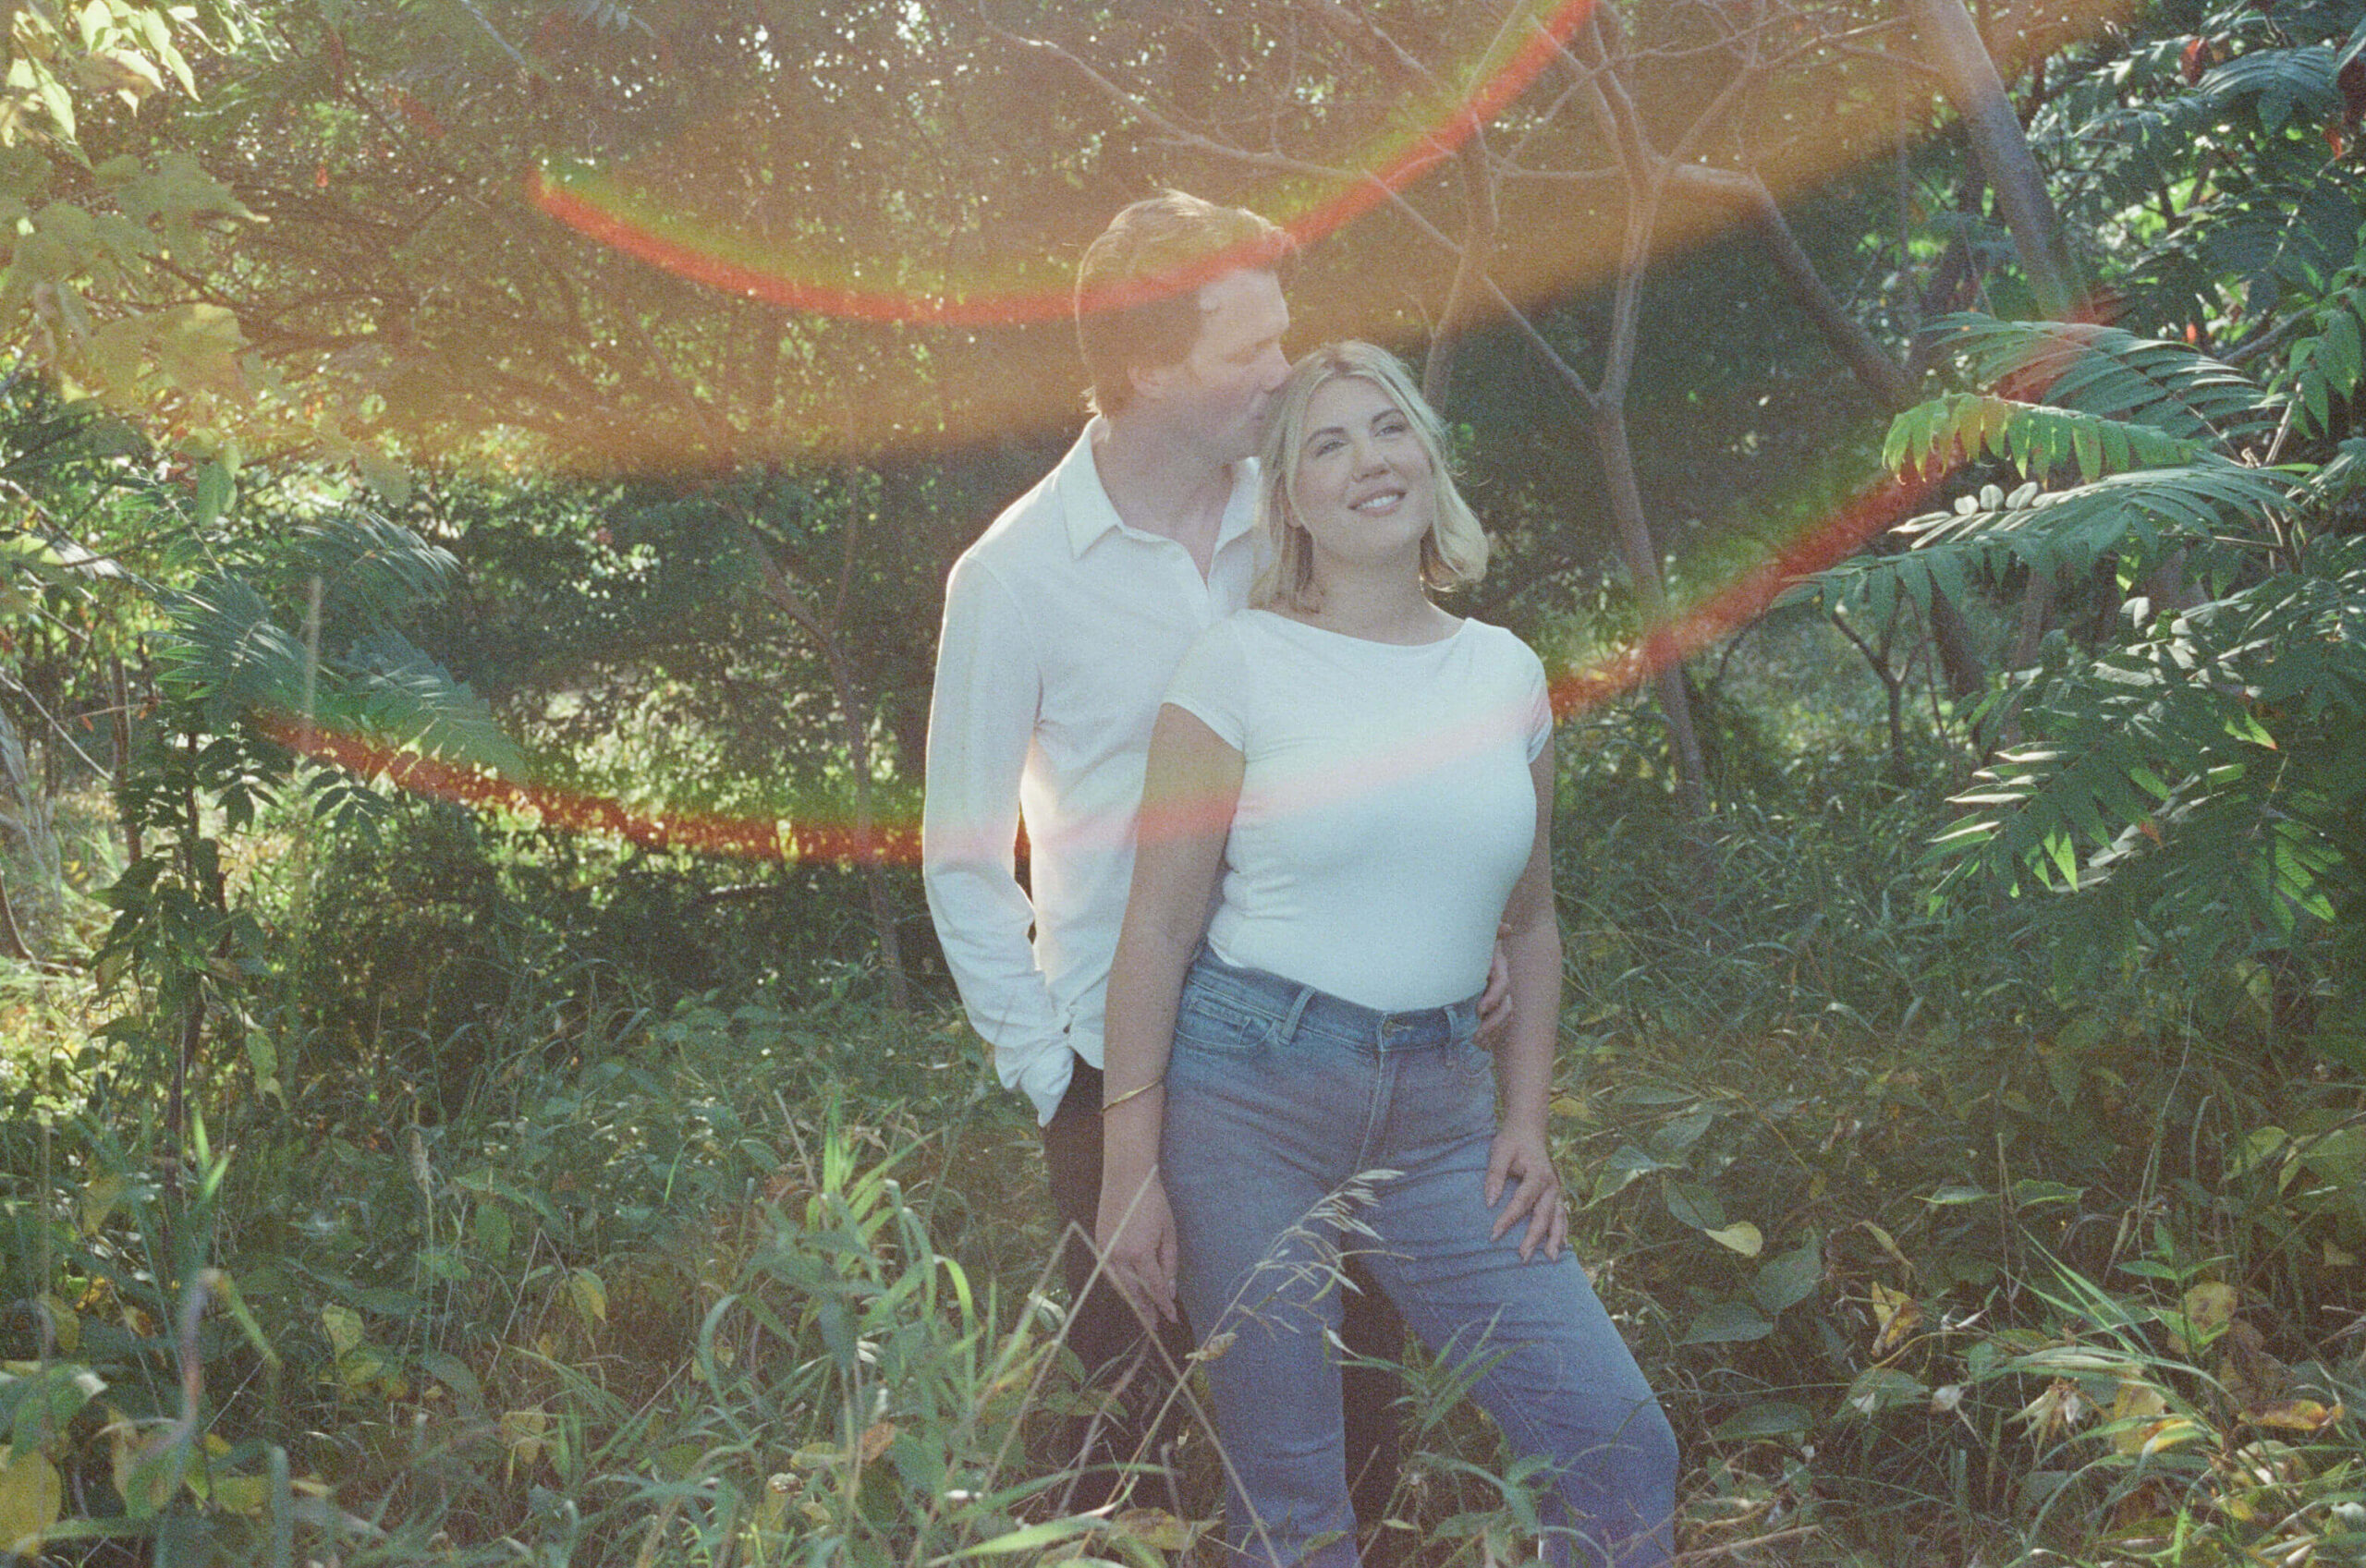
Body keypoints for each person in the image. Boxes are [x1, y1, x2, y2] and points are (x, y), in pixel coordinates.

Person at [1096, 342, 1678, 1567]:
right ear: (1291, 503)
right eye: (1328, 440)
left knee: (1620, 1445)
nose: (1369, 459)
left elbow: (1532, 922)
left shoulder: (1505, 673)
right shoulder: (1236, 664)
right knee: (1299, 1511)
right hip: (1246, 1094)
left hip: (1441, 1115)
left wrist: (1527, 1119)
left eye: (1389, 428)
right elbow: (1155, 925)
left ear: (1429, 460)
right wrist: (1128, 1167)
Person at [921, 194, 1415, 1525]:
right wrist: (1059, 1088)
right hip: (1120, 1064)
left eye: (1281, 337)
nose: (1282, 369)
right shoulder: (1014, 576)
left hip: (1324, 1026)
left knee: (1363, 1399)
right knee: (1118, 1441)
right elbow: (962, 861)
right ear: (1144, 364)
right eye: (1245, 347)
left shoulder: (1301, 511)